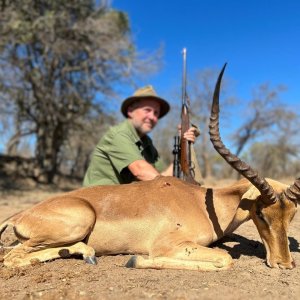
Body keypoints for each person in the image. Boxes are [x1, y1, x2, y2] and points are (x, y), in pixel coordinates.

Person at [83, 85, 199, 186]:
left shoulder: (146, 142)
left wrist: (183, 149)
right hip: (99, 203)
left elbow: (162, 176)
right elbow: (140, 171)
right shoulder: (119, 134)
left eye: (156, 113)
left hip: (124, 202)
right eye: (147, 110)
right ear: (130, 111)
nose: (152, 117)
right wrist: (174, 188)